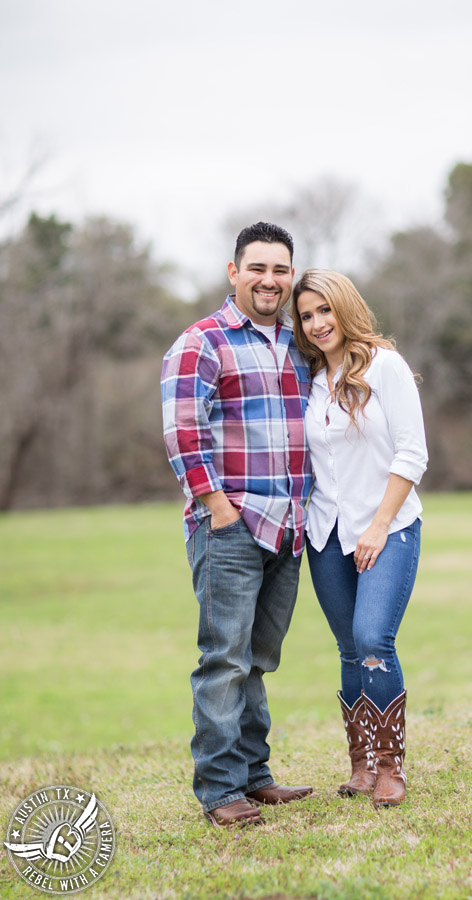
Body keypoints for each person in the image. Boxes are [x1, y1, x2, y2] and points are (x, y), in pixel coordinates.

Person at [161, 223, 314, 827]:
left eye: (281, 270)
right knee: (224, 658)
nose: (270, 280)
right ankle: (221, 790)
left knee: (259, 659)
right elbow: (181, 432)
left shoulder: (296, 346)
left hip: (290, 526)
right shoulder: (202, 343)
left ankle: (255, 776)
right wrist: (216, 507)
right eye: (258, 269)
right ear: (234, 272)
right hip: (230, 526)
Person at [292, 269, 428, 808]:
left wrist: (377, 525)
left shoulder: (384, 366)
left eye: (325, 310)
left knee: (373, 639)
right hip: (325, 532)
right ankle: (361, 764)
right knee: (349, 650)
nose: (317, 323)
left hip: (387, 529)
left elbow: (412, 452)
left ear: (345, 308)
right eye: (306, 315)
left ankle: (391, 766)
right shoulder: (308, 380)